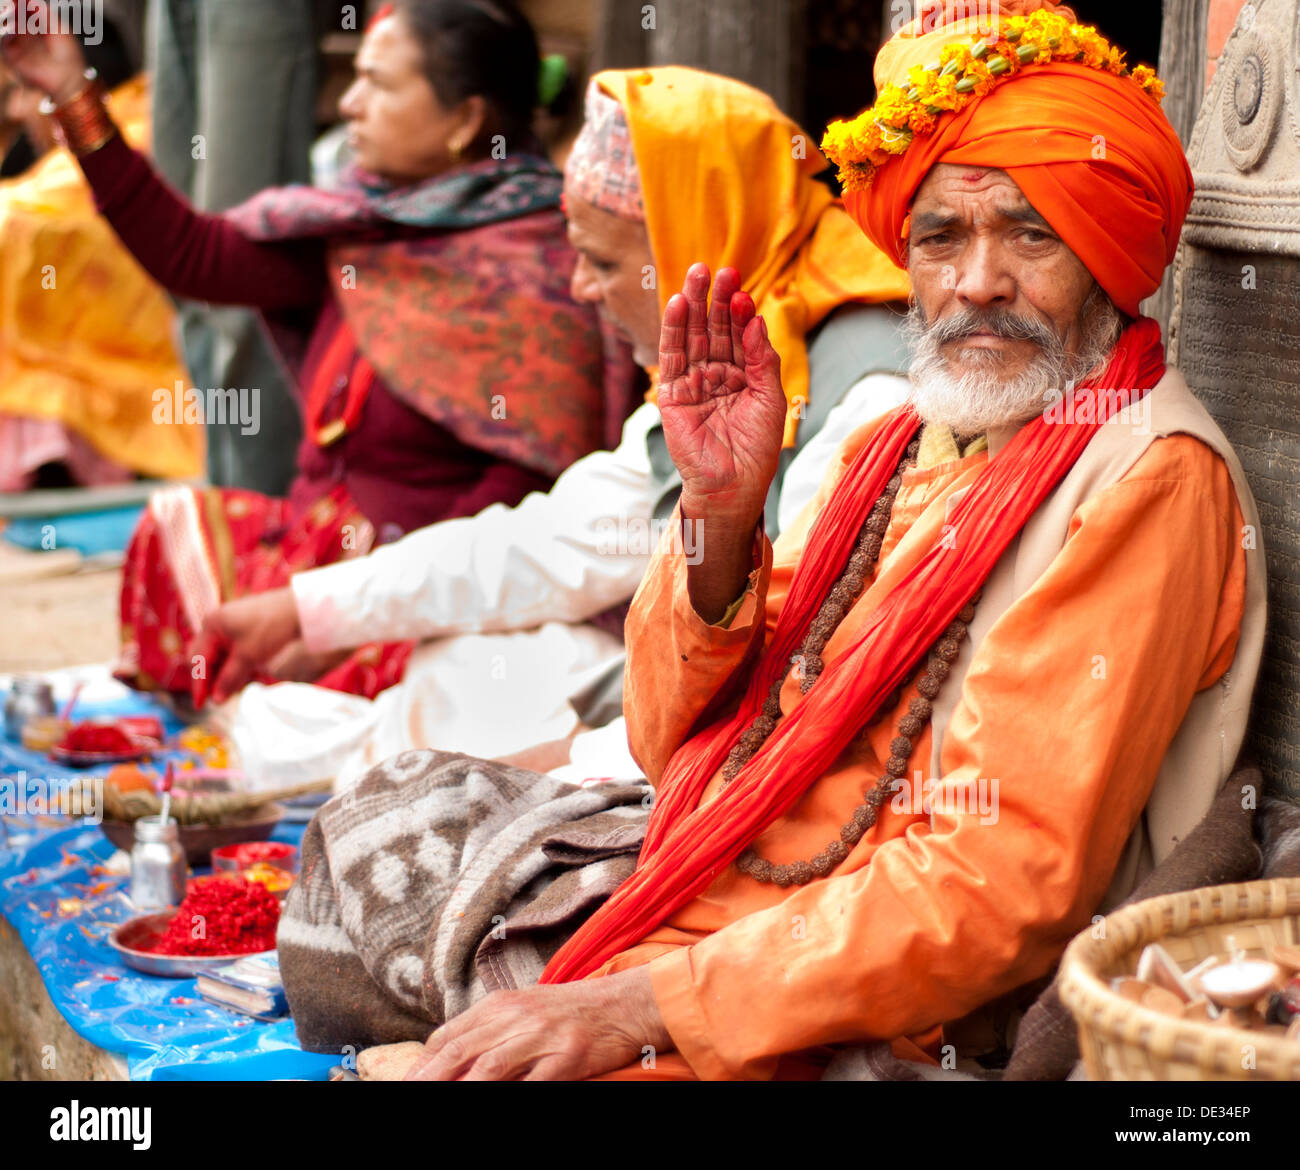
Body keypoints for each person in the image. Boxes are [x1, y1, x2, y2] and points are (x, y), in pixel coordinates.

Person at [274, 0, 1268, 1080]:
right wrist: (721, 511)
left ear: (1104, 250)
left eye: (1031, 232)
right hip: (734, 881)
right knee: (366, 834)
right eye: (941, 236)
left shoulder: (1149, 474)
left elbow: (1000, 882)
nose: (977, 279)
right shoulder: (908, 438)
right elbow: (670, 737)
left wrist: (641, 1006)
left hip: (900, 989)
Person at [193, 66, 913, 784]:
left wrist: (572, 762)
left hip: (780, 765)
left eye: (602, 261)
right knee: (463, 665)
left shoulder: (866, 394)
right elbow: (550, 542)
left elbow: (806, 683)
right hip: (693, 713)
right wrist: (308, 608)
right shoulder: (729, 345)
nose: (579, 287)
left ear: (695, 242)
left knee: (467, 736)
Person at [0, 0, 632, 701]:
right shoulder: (355, 231)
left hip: (425, 583)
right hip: (321, 558)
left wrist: (357, 606)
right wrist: (69, 90)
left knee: (420, 690)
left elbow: (524, 497)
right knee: (173, 530)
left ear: (466, 121)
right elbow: (191, 254)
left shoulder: (537, 268)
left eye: (382, 85)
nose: (352, 105)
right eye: (356, 78)